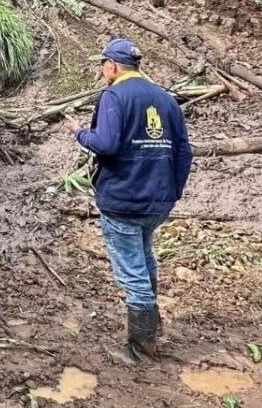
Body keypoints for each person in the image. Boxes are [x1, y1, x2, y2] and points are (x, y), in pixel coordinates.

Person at [65, 39, 193, 361]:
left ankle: (141, 347)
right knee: (145, 257)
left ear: (112, 66)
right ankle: (154, 323)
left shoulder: (114, 96)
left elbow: (105, 144)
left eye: (102, 65)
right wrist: (173, 192)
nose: (101, 71)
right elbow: (183, 152)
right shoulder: (165, 98)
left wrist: (80, 132)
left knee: (132, 271)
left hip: (124, 199)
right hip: (158, 200)